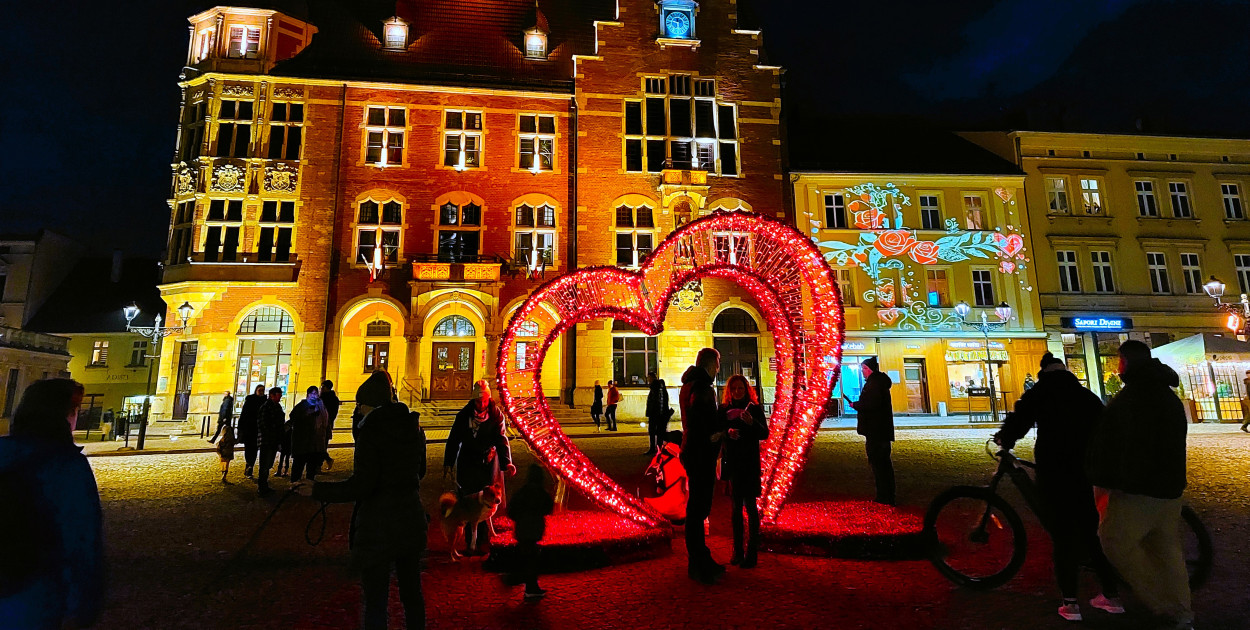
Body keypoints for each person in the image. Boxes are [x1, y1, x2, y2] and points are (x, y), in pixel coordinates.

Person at [994, 353, 1122, 622]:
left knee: (1063, 535)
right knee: (1090, 532)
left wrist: (1004, 439)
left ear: (1043, 372)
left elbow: (1021, 419)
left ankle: (1071, 603)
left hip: (1056, 471)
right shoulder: (1085, 395)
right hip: (1087, 472)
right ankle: (1111, 596)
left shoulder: (1041, 392)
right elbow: (1106, 429)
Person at [297, 369, 427, 630]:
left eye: (360, 406)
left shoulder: (371, 432)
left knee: (376, 599)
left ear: (367, 405)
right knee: (412, 593)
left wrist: (317, 490)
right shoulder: (413, 427)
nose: (358, 412)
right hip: (411, 519)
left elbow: (362, 485)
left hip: (380, 526)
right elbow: (420, 471)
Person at [1087, 340, 1193, 630]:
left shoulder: (1133, 398)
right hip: (1170, 488)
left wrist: (1105, 480)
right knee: (1167, 550)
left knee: (1114, 540)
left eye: (1119, 361)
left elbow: (1116, 445)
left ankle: (1163, 606)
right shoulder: (1166, 395)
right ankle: (1184, 613)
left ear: (1125, 362)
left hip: (1138, 489)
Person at [0, 379, 104, 629]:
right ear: (64, 414)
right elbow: (81, 537)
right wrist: (84, 605)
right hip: (35, 589)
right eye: (75, 410)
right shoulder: (66, 465)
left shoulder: (3, 450)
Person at [444, 379, 515, 554]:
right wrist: (448, 462)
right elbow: (454, 439)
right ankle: (470, 542)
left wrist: (507, 463)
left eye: (484, 401)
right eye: (478, 401)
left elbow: (501, 439)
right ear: (473, 400)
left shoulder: (496, 414)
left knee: (486, 501)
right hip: (468, 463)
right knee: (468, 501)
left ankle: (482, 542)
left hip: (487, 463)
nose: (481, 404)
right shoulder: (464, 415)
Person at [680, 347, 725, 584]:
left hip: (690, 450)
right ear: (710, 364)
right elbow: (702, 420)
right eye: (718, 364)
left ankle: (698, 560)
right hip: (701, 453)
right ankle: (699, 562)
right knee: (698, 509)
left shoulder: (689, 384)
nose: (719, 368)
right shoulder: (703, 389)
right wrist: (717, 432)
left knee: (695, 509)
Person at [720, 374, 768, 568]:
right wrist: (727, 433)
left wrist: (751, 423)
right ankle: (737, 551)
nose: (737, 392)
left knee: (751, 508)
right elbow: (717, 432)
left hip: (749, 463)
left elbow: (764, 433)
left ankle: (752, 553)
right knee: (735, 510)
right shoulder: (723, 410)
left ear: (747, 390)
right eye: (734, 389)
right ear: (729, 391)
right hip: (733, 464)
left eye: (740, 388)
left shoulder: (754, 409)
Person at [849, 357, 895, 505]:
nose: (862, 372)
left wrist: (856, 405)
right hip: (880, 430)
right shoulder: (878, 383)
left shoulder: (874, 384)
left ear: (869, 369)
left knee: (879, 464)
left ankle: (885, 496)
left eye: (863, 369)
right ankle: (886, 495)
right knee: (883, 464)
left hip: (876, 430)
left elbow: (870, 405)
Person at [507, 464, 555, 600]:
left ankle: (524, 582)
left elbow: (511, 510)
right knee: (531, 559)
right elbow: (548, 508)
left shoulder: (522, 492)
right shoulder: (541, 493)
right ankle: (529, 586)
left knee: (526, 556)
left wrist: (519, 518)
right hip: (534, 529)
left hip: (522, 529)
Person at [288, 385, 330, 482]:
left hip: (314, 442)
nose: (314, 396)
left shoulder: (320, 406)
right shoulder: (302, 405)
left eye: (316, 393)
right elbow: (293, 417)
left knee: (311, 466)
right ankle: (295, 483)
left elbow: (325, 421)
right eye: (312, 393)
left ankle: (309, 484)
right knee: (299, 464)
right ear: (308, 395)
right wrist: (308, 414)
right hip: (302, 441)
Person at [255, 387, 286, 496]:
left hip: (273, 440)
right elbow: (263, 424)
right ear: (272, 395)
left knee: (268, 464)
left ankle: (264, 485)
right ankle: (262, 487)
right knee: (264, 465)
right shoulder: (266, 407)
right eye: (279, 394)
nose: (280, 396)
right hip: (266, 440)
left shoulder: (277, 406)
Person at [237, 384, 266, 478]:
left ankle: (250, 466)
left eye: (263, 390)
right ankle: (248, 464)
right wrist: (240, 428)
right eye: (259, 390)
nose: (261, 392)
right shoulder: (250, 400)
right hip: (249, 429)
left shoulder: (265, 402)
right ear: (256, 390)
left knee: (254, 449)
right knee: (249, 448)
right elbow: (244, 415)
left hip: (258, 430)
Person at [645, 371, 671, 455]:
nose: (648, 380)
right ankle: (658, 448)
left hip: (656, 414)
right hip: (659, 414)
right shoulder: (660, 387)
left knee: (654, 431)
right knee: (658, 432)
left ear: (652, 378)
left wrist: (653, 413)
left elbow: (657, 402)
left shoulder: (656, 388)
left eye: (649, 378)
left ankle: (655, 448)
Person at [321, 379, 342, 467]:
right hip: (323, 423)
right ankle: (324, 461)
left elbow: (333, 413)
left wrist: (328, 421)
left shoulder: (330, 398)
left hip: (325, 424)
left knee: (322, 444)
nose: (321, 388)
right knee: (321, 444)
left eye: (323, 387)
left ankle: (322, 463)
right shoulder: (322, 397)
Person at [215, 414, 237, 484]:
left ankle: (223, 475)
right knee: (226, 462)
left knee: (223, 462)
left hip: (224, 447)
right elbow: (229, 438)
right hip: (227, 448)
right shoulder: (229, 429)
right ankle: (224, 476)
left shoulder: (224, 428)